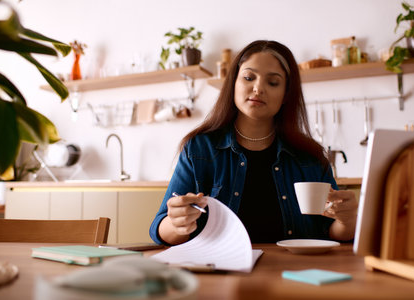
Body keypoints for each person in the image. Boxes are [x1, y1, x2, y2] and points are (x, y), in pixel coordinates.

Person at [149, 40, 358, 246]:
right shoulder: (200, 149)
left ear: (286, 94)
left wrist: (348, 221)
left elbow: (333, 231)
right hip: (221, 273)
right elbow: (159, 228)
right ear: (234, 84)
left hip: (296, 274)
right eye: (249, 77)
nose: (258, 88)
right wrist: (177, 224)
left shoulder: (310, 157)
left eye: (273, 82)